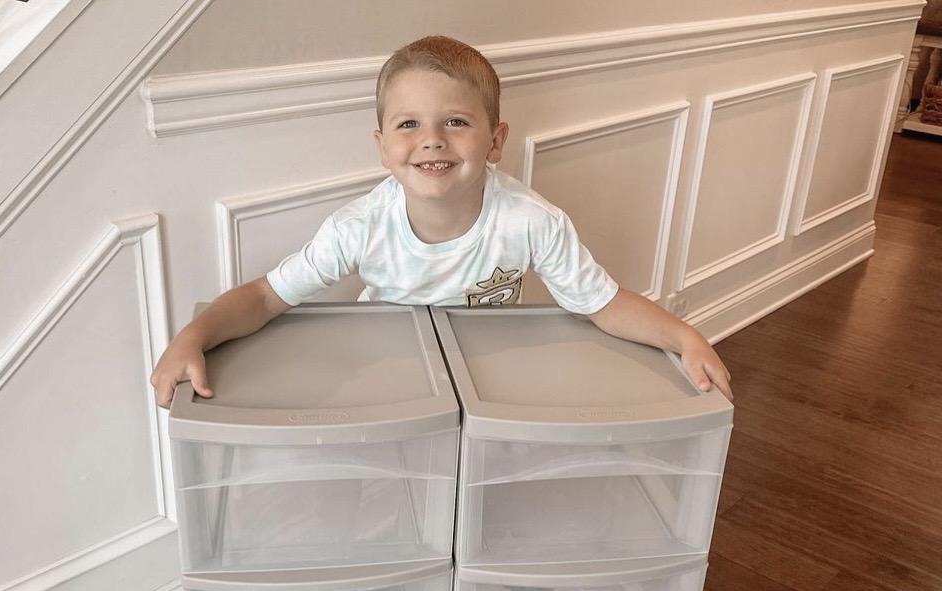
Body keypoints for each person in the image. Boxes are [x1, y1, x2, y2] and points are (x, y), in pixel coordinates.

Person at [151, 35, 731, 407]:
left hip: (485, 383)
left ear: (496, 140)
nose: (431, 140)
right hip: (388, 381)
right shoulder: (360, 227)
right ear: (382, 146)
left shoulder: (532, 222)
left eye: (455, 121)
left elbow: (601, 302)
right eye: (408, 125)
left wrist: (684, 337)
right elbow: (265, 296)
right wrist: (192, 337)